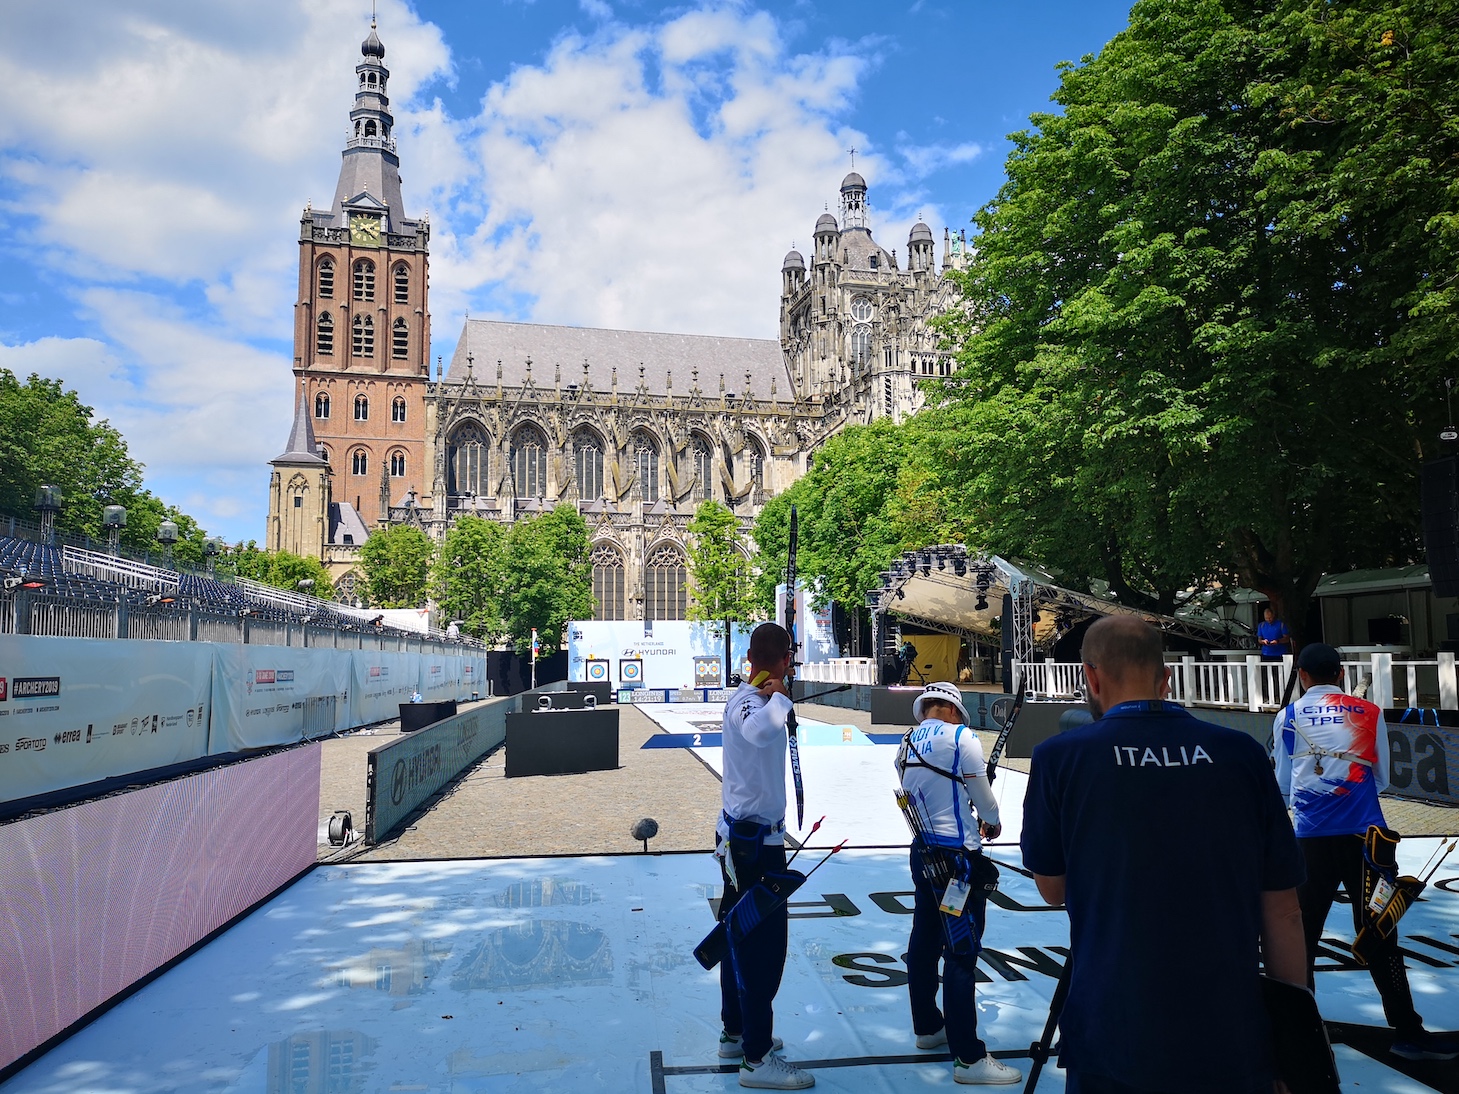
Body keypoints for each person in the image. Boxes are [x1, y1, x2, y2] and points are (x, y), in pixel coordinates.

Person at [1021, 616, 1308, 1094]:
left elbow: (1053, 889)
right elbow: (1284, 912)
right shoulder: (1241, 753)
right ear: (1166, 679)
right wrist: (1294, 1042)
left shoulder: (1059, 757)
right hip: (1229, 1032)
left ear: (1091, 677)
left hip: (1112, 1029)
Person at [1273, 642, 1459, 1061]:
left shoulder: (1288, 716)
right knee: (1380, 929)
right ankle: (1408, 1032)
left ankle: (1300, 1033)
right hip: (1367, 842)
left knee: (1303, 934)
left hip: (1310, 840)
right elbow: (1383, 778)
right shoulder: (1369, 712)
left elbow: (1283, 784)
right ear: (1341, 674)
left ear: (1302, 676)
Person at [896, 681, 1022, 1086]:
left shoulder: (905, 743)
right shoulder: (961, 737)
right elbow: (984, 801)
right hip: (957, 863)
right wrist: (992, 820)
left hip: (923, 854)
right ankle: (968, 1057)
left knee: (925, 938)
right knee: (961, 951)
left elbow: (931, 794)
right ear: (953, 710)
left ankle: (928, 1027)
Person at [714, 622, 812, 1089]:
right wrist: (782, 698)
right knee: (763, 949)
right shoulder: (752, 701)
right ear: (786, 660)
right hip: (754, 847)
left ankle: (737, 1033)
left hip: (745, 841)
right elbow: (759, 731)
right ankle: (756, 1058)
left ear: (750, 657)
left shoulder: (752, 695)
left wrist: (778, 696)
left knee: (737, 935)